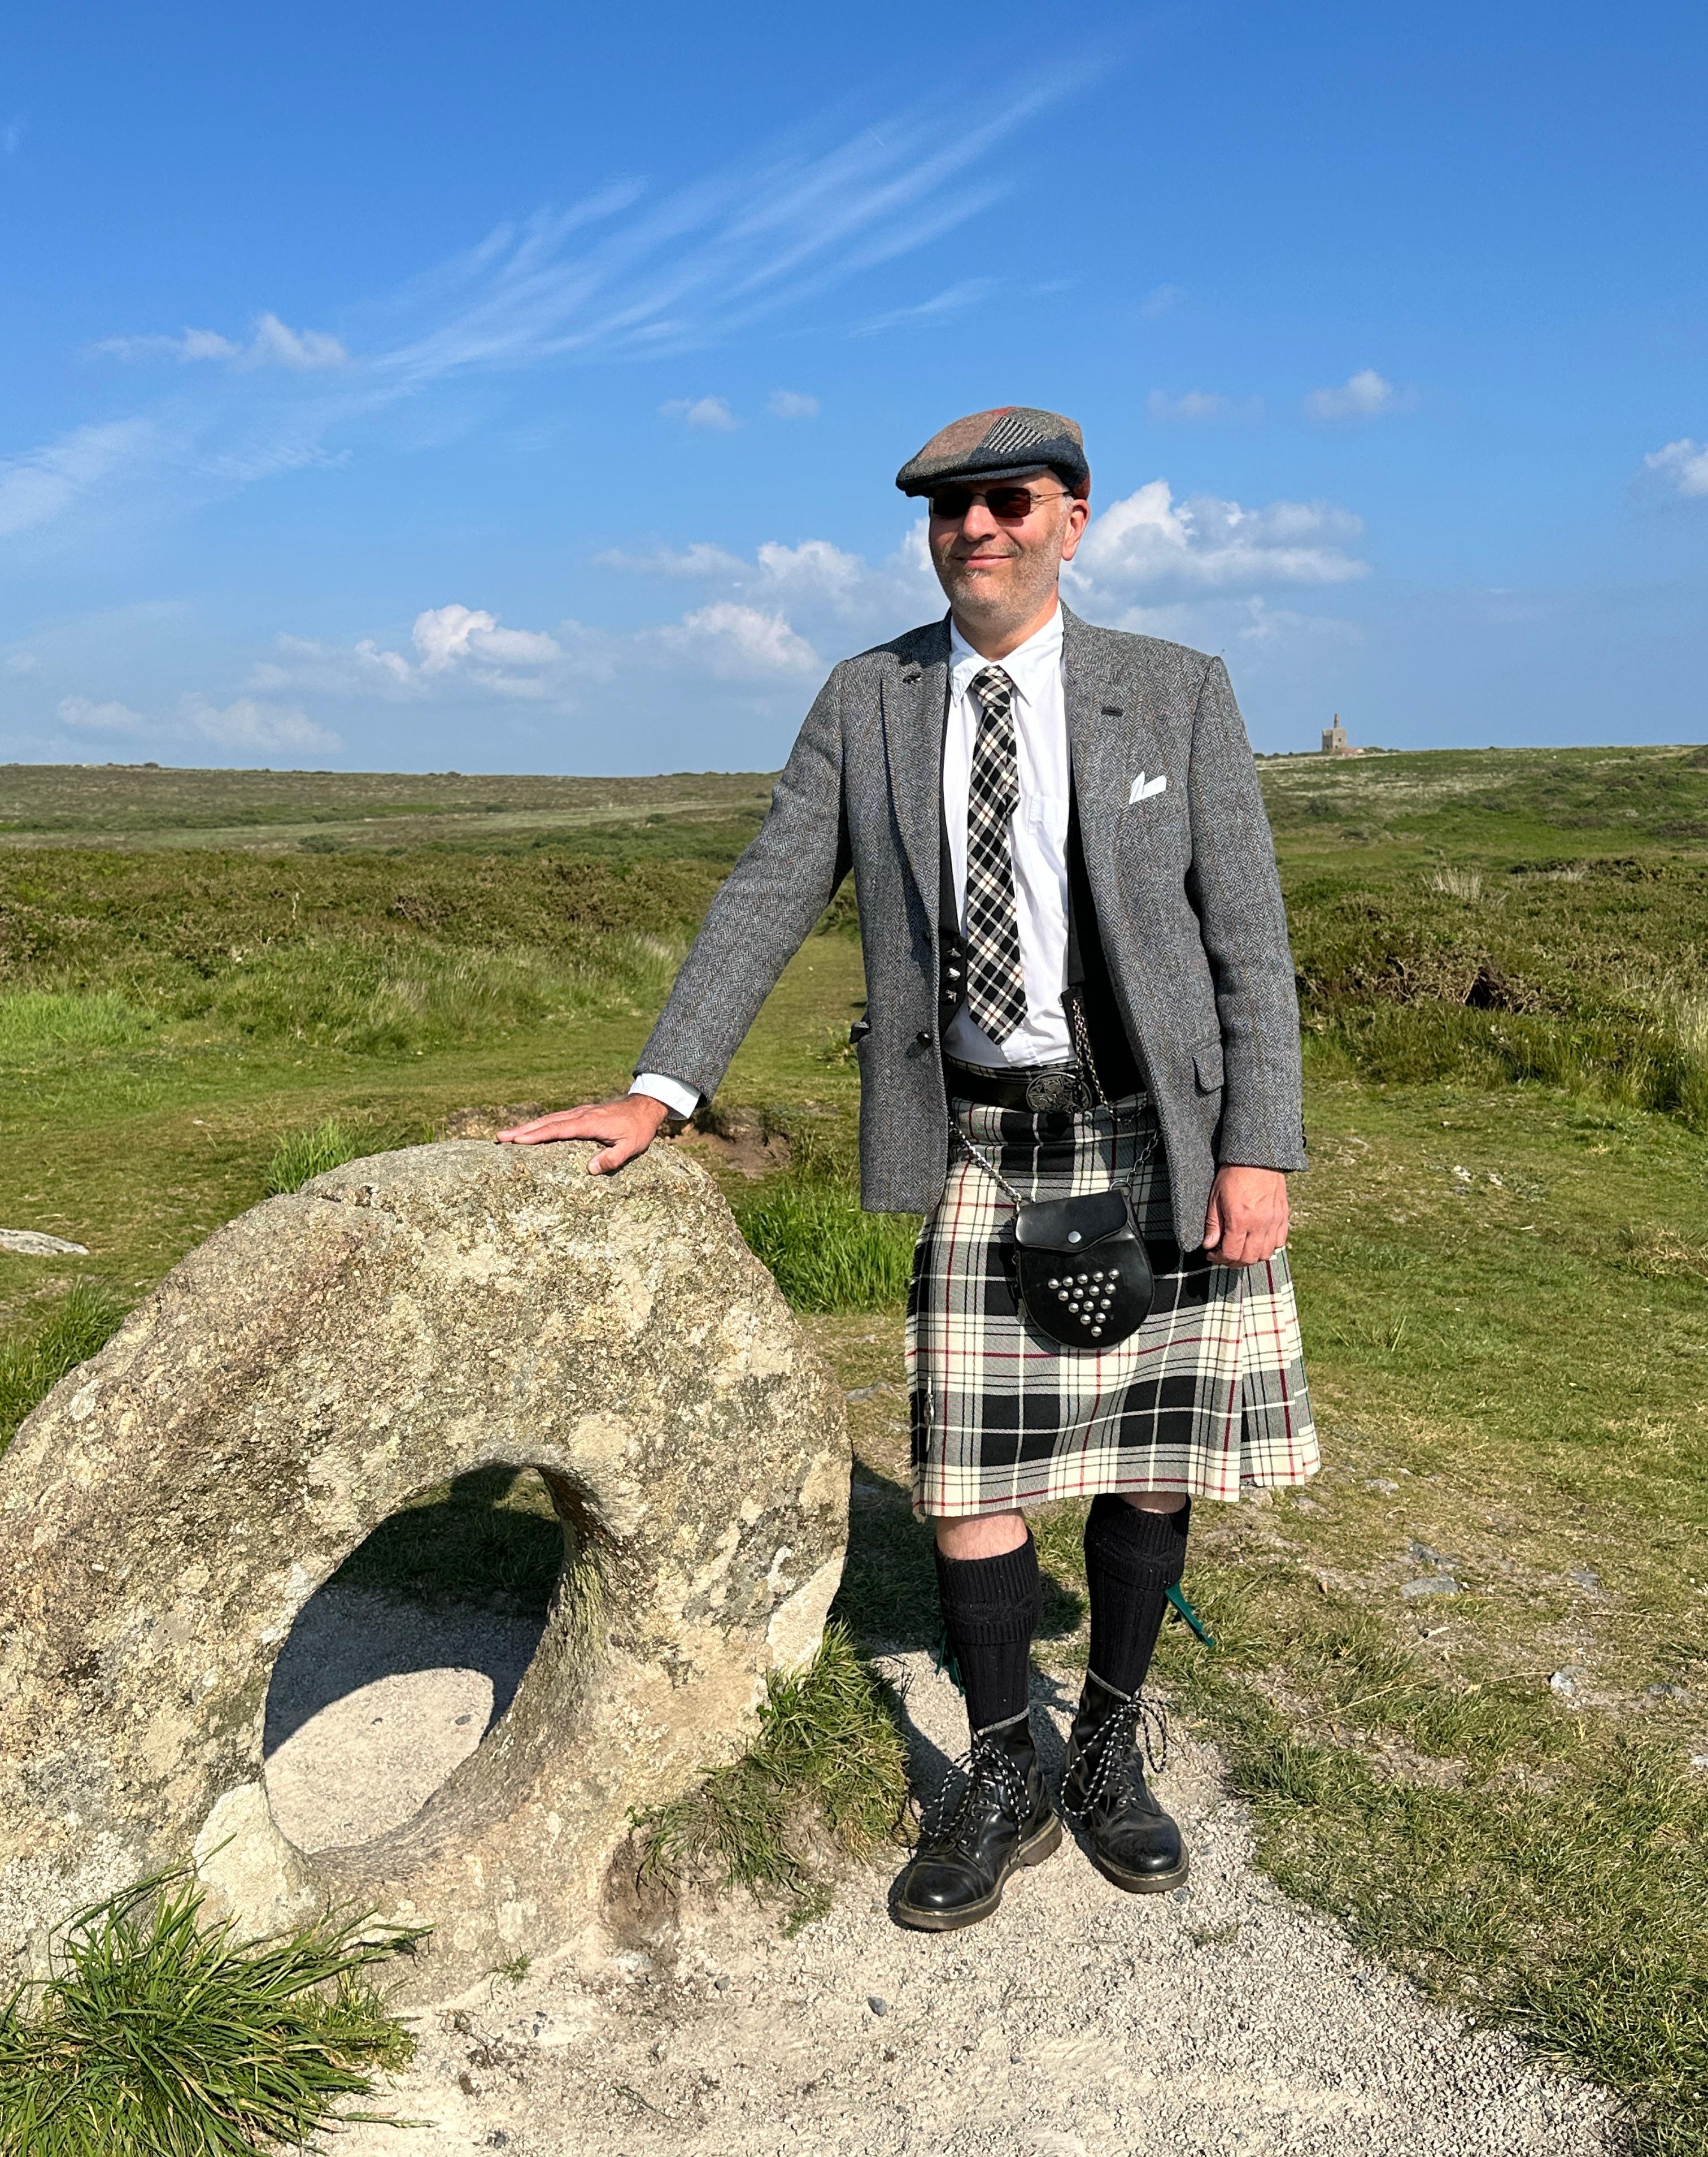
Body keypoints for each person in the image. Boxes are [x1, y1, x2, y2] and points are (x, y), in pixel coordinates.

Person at [501, 406, 1320, 1932]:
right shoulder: (867, 700)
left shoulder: (1178, 694)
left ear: (1072, 519)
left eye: (1006, 503)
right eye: (948, 510)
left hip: (1157, 1129)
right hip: (980, 1140)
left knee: (1152, 1457)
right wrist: (657, 1092)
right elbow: (767, 888)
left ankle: (1109, 1751)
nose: (975, 530)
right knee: (969, 1471)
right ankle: (1002, 1766)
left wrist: (1259, 1145)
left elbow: (1249, 944)